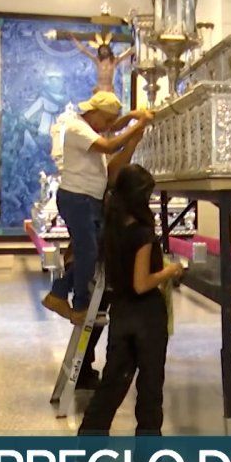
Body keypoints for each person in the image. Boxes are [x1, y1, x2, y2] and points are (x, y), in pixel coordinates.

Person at [78, 164, 184, 436]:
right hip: (146, 316)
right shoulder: (142, 234)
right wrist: (170, 271)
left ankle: (88, 445)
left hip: (121, 313)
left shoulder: (110, 230)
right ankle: (147, 456)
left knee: (112, 384)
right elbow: (141, 283)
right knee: (150, 387)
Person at [42, 92, 152, 327]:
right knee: (87, 253)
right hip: (77, 198)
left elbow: (113, 133)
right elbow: (110, 144)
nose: (109, 127)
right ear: (93, 113)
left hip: (89, 200)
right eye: (106, 120)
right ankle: (79, 305)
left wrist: (132, 122)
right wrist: (139, 124)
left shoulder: (90, 130)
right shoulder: (77, 128)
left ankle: (58, 293)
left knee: (92, 252)